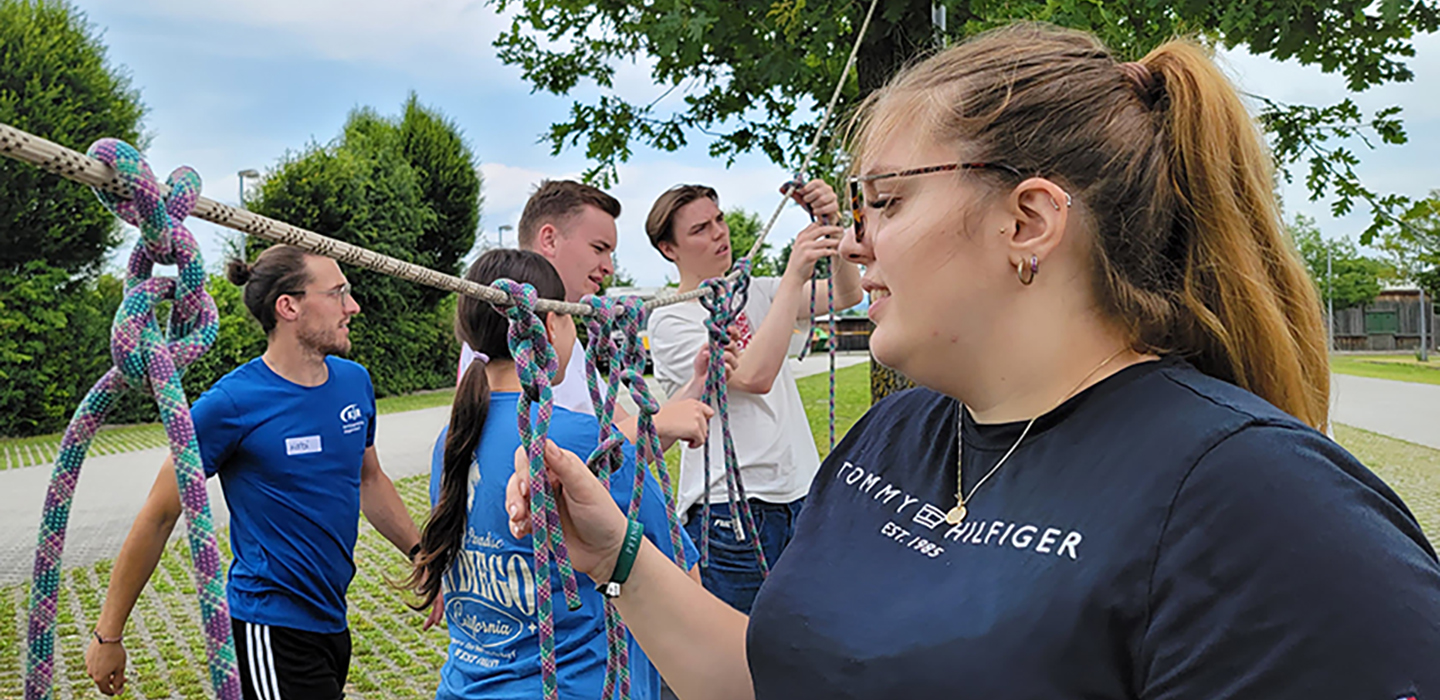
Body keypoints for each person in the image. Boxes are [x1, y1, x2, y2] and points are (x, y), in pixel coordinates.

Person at [504, 23, 1440, 700]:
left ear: (1026, 221)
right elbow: (776, 675)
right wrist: (614, 554)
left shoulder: (1264, 505)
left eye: (888, 202)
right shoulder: (897, 432)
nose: (859, 244)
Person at [85, 244, 425, 699]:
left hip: (332, 620)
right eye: (338, 293)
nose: (353, 306)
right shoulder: (230, 405)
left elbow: (369, 480)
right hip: (271, 627)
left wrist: (421, 554)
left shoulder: (354, 383)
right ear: (289, 306)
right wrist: (109, 635)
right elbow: (160, 514)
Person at [409, 249, 701, 699]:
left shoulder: (452, 438)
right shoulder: (584, 440)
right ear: (545, 327)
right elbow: (684, 588)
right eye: (569, 317)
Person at [643, 182, 862, 613]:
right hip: (731, 512)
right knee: (739, 656)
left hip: (798, 495)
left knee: (803, 642)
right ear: (670, 249)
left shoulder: (758, 292)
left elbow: (847, 294)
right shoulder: (671, 319)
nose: (720, 233)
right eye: (701, 229)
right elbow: (755, 376)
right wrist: (794, 274)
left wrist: (831, 226)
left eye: (719, 219)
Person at [461, 180, 714, 453]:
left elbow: (628, 450)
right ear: (550, 239)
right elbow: (546, 455)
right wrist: (662, 422)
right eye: (598, 248)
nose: (609, 268)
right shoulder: (504, 339)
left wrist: (697, 383)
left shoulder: (570, 347)